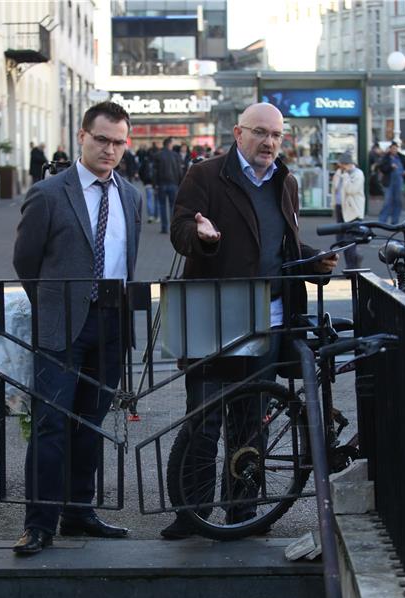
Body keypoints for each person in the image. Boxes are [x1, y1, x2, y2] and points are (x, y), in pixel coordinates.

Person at [160, 101, 338, 540]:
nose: (269, 142)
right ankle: (192, 514)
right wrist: (201, 235)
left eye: (276, 135)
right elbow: (180, 230)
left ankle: (243, 512)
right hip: (214, 314)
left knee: (251, 422)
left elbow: (282, 246)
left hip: (269, 319)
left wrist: (313, 261)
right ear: (238, 134)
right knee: (204, 422)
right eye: (260, 132)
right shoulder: (205, 175)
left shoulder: (284, 181)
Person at [12, 101, 142, 555]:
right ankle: (39, 524)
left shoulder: (131, 196)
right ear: (82, 136)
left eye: (119, 142)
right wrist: (53, 305)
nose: (110, 150)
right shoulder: (49, 193)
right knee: (51, 425)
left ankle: (79, 512)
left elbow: (127, 260)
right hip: (62, 325)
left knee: (90, 425)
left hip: (111, 325)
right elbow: (25, 262)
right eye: (102, 139)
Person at [330, 152, 365, 269]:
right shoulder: (339, 173)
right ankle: (352, 262)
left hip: (353, 211)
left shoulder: (358, 174)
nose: (340, 167)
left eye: (342, 164)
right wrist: (333, 205)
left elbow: (352, 190)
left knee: (349, 239)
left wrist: (345, 177)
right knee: (340, 239)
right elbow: (334, 189)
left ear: (348, 164)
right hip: (341, 208)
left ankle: (352, 265)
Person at [153, 137, 182, 234]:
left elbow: (155, 172)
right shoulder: (176, 155)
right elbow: (179, 171)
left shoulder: (158, 155)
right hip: (173, 183)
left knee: (162, 206)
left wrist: (155, 184)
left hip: (161, 184)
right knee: (173, 206)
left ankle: (164, 227)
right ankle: (173, 227)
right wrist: (180, 183)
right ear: (169, 144)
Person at [378, 141, 405, 224]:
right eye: (392, 148)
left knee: (398, 201)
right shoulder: (385, 158)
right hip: (389, 182)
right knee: (387, 202)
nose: (394, 150)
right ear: (390, 149)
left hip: (399, 182)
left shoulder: (402, 157)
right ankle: (382, 221)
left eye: (395, 148)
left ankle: (395, 221)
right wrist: (390, 167)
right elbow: (382, 168)